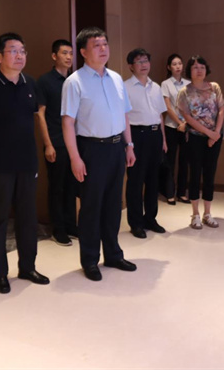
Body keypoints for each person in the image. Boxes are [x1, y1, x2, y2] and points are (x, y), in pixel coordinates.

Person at [0, 32, 50, 294]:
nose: (19, 56)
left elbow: (36, 117)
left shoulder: (30, 83)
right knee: (0, 218)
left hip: (27, 162)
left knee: (27, 217)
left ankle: (27, 267)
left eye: (22, 51)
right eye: (13, 51)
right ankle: (1, 273)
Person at [61, 27, 137, 281]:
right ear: (83, 52)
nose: (103, 49)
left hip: (116, 147)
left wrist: (129, 145)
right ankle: (90, 260)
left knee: (114, 205)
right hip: (91, 149)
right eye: (97, 45)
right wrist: (75, 157)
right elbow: (68, 122)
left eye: (105, 44)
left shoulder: (116, 78)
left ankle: (113, 254)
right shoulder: (74, 82)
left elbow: (124, 114)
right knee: (91, 207)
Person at [35, 39, 78, 246]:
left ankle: (71, 225)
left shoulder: (75, 80)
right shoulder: (45, 81)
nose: (68, 57)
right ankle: (58, 229)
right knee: (57, 187)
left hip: (74, 142)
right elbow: (40, 114)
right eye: (64, 53)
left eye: (70, 53)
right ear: (54, 56)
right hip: (56, 141)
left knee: (72, 186)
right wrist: (48, 144)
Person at [177, 55, 224, 230]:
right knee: (195, 173)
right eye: (195, 67)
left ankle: (208, 213)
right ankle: (195, 214)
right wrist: (209, 133)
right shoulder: (184, 92)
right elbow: (188, 118)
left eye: (202, 67)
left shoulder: (214, 87)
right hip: (195, 137)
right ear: (189, 70)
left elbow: (221, 109)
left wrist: (216, 133)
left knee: (210, 174)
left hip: (215, 137)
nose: (199, 70)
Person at [124, 48, 167, 239]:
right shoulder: (125, 87)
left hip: (155, 135)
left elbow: (159, 115)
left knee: (153, 179)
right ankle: (136, 223)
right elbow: (123, 117)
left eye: (146, 61)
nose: (144, 65)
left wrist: (163, 139)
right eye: (139, 61)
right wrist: (128, 144)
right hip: (136, 135)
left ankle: (150, 218)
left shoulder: (155, 87)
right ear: (131, 66)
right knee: (135, 180)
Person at [160, 54, 190, 205]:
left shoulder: (189, 83)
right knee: (170, 161)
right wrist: (179, 123)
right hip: (171, 126)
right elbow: (167, 107)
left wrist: (186, 123)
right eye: (174, 64)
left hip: (187, 126)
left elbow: (191, 105)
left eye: (179, 63)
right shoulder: (165, 84)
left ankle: (182, 193)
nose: (178, 66)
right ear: (169, 67)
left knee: (185, 161)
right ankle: (170, 193)